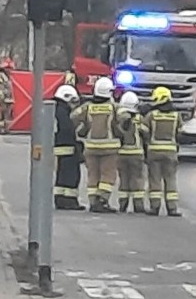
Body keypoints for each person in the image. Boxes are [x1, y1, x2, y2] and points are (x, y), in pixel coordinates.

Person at [71, 77, 120, 213]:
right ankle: (102, 200)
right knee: (108, 175)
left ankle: (93, 202)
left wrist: (83, 128)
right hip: (109, 147)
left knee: (93, 175)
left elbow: (74, 116)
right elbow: (124, 119)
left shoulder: (87, 107)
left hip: (91, 147)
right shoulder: (113, 107)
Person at [143, 86, 182, 217]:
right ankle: (172, 208)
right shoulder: (176, 116)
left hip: (154, 152)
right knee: (170, 180)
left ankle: (155, 207)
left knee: (155, 180)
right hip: (171, 152)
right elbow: (181, 133)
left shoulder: (151, 115)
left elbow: (144, 131)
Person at [53, 84, 85, 211]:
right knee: (71, 175)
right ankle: (70, 201)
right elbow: (67, 129)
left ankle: (60, 199)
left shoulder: (55, 109)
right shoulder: (63, 112)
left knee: (62, 175)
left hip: (59, 147)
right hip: (67, 147)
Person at [115, 91, 148, 213]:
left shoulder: (118, 118)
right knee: (137, 180)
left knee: (123, 180)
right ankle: (138, 205)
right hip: (136, 153)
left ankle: (122, 205)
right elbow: (146, 133)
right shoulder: (139, 119)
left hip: (121, 153)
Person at [0, 58, 15, 134]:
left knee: (7, 116)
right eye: (8, 68)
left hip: (8, 100)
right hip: (2, 100)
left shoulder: (8, 76)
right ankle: (0, 129)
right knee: (1, 116)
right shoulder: (0, 77)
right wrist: (1, 98)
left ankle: (5, 129)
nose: (9, 70)